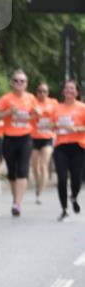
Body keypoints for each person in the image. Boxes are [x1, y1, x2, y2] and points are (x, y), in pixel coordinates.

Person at [0, 70, 38, 217]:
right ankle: (16, 199)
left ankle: (18, 203)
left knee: (23, 170)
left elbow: (34, 115)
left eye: (22, 81)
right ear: (11, 82)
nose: (19, 83)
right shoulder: (6, 98)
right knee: (12, 172)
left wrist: (35, 114)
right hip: (9, 138)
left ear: (26, 84)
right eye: (16, 80)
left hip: (25, 137)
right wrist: (8, 112)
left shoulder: (31, 98)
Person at [51, 79, 85, 221]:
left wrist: (76, 128)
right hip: (61, 146)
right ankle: (64, 209)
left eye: (72, 89)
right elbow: (50, 125)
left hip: (78, 146)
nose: (69, 91)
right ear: (63, 91)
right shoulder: (57, 108)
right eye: (67, 88)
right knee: (62, 178)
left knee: (76, 179)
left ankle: (74, 196)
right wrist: (55, 126)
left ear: (77, 92)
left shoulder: (82, 108)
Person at [30, 81, 57, 204]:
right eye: (39, 91)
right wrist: (34, 114)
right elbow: (26, 117)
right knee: (35, 165)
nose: (42, 93)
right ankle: (38, 183)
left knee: (43, 164)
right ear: (36, 92)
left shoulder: (53, 103)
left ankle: (40, 193)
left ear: (48, 93)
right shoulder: (32, 102)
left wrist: (51, 123)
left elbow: (58, 118)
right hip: (34, 137)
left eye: (44, 91)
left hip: (48, 137)